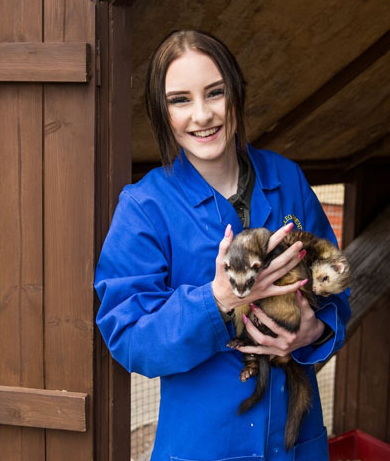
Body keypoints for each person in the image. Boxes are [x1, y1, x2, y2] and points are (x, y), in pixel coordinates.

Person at [94, 30, 350, 461]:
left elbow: (339, 289)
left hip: (296, 441)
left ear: (236, 94)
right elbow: (129, 336)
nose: (202, 114)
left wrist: (316, 331)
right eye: (180, 100)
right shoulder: (145, 206)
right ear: (162, 111)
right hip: (204, 445)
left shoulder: (287, 179)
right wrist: (216, 301)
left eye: (215, 93)